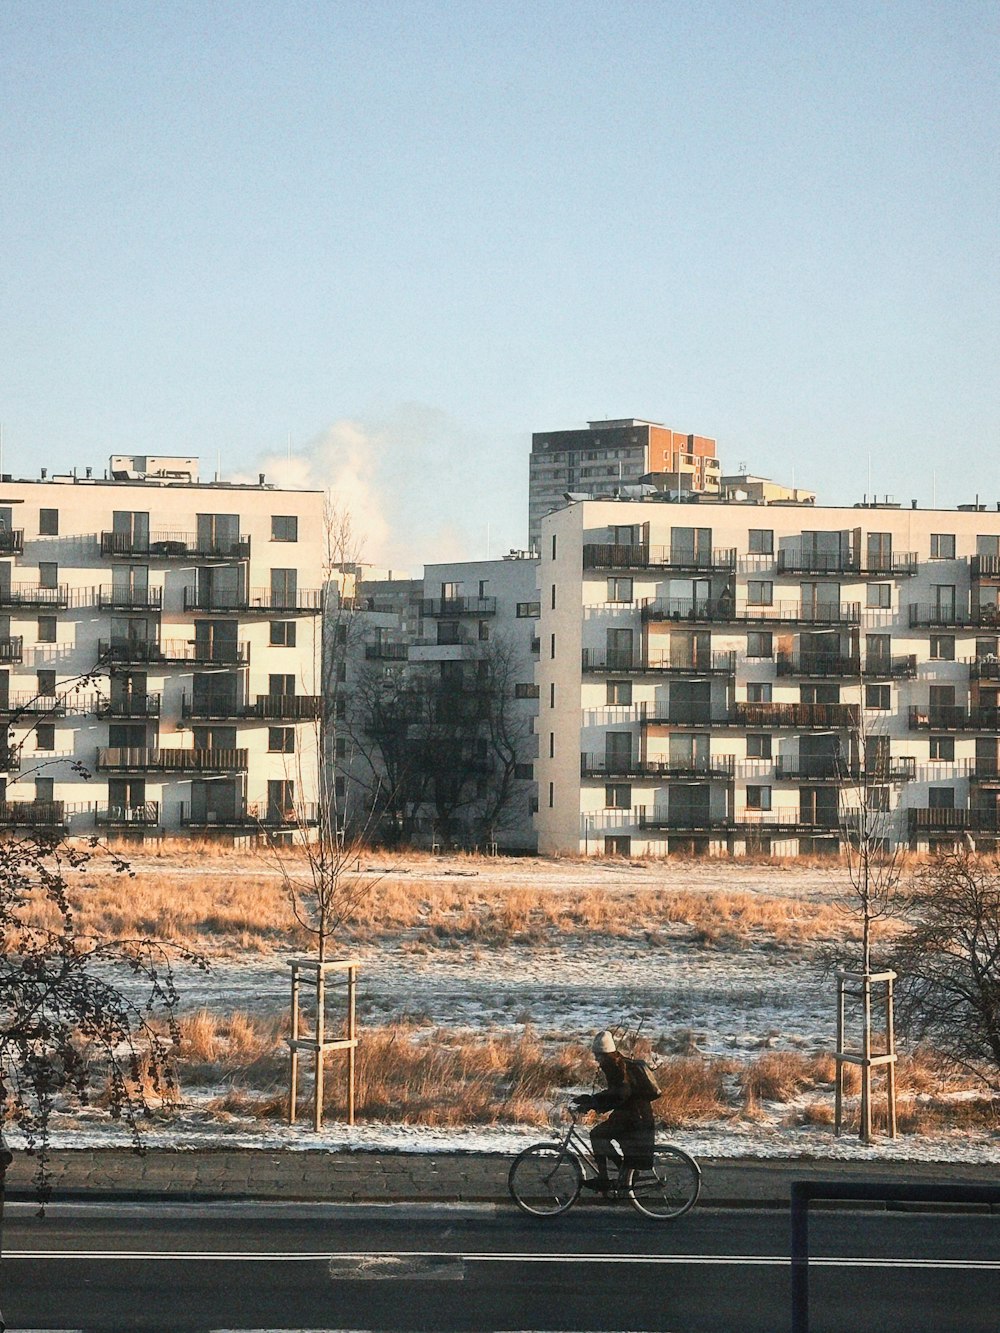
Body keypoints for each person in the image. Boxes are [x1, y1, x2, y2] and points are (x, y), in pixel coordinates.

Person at [571, 1030, 657, 1193]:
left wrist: (594, 1102)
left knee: (597, 1135)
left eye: (598, 1055)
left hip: (633, 1116)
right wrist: (591, 1100)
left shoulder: (616, 1067)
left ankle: (605, 1177)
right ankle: (623, 1172)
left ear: (606, 1054)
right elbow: (615, 1094)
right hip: (631, 1113)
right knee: (602, 1135)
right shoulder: (618, 1063)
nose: (597, 1059)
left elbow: (620, 1094)